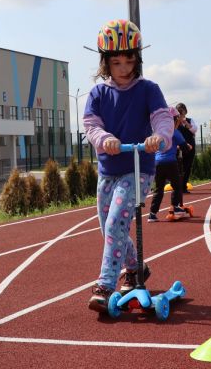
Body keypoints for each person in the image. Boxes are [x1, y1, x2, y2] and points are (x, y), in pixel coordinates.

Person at [83, 19, 173, 312]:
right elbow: (91, 124)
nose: (123, 67)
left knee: (116, 222)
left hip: (138, 168)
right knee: (108, 227)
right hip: (108, 169)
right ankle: (136, 268)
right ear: (105, 62)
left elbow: (162, 117)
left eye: (129, 61)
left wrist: (159, 136)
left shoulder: (148, 89)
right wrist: (104, 138)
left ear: (137, 59)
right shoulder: (98, 93)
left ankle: (105, 284)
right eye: (116, 61)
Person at [148, 107, 191, 222]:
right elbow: (185, 148)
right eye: (178, 120)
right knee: (177, 186)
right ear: (175, 120)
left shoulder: (157, 132)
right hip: (170, 162)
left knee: (158, 189)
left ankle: (152, 214)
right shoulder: (174, 132)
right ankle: (175, 207)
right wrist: (188, 147)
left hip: (157, 163)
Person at [175, 103, 197, 192]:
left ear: (185, 111)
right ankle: (177, 186)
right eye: (178, 111)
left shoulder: (190, 120)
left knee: (188, 167)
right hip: (178, 148)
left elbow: (194, 129)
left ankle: (184, 186)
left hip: (190, 147)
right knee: (179, 167)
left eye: (182, 110)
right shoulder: (174, 122)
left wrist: (186, 123)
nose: (180, 112)